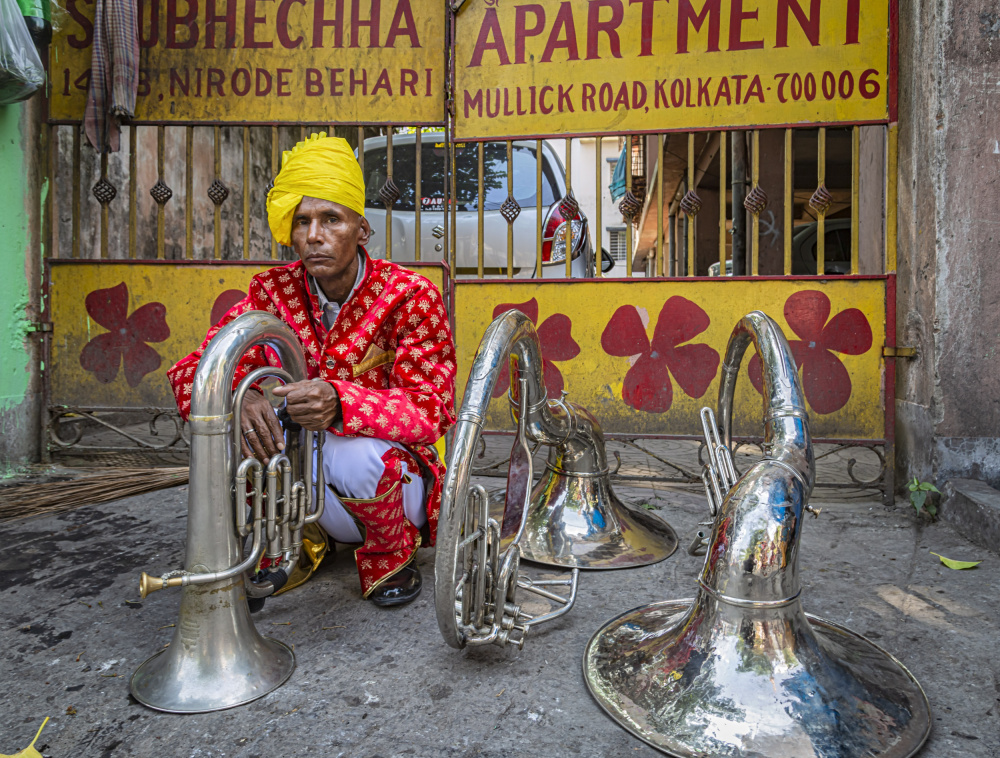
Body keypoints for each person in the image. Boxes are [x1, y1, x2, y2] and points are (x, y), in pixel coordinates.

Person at [167, 132, 456, 607]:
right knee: (239, 431)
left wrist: (341, 401)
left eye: (331, 219)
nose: (314, 236)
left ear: (362, 230)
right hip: (309, 477)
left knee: (360, 455)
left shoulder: (410, 295)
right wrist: (242, 394)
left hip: (391, 483)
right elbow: (194, 370)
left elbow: (432, 407)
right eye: (302, 222)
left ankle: (390, 554)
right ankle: (289, 544)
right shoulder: (270, 292)